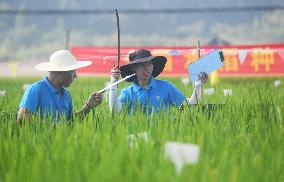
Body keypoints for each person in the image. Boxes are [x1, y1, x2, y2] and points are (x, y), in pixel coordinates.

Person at [108, 49, 208, 114]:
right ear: (134, 68)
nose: (147, 68)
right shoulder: (128, 93)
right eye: (142, 65)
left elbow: (188, 108)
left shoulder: (166, 87)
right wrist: (113, 81)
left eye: (149, 64)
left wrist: (198, 86)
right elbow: (115, 110)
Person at [17, 50, 102, 124]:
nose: (75, 75)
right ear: (61, 73)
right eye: (73, 71)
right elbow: (22, 118)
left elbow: (70, 122)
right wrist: (50, 126)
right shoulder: (36, 89)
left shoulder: (66, 95)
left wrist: (88, 106)